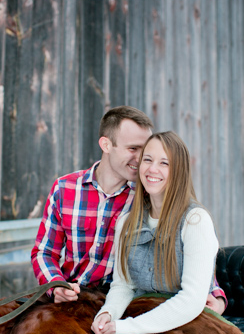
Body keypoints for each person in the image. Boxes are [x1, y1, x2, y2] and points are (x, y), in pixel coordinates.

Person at [31, 106, 227, 313]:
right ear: (106, 144)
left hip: (123, 303)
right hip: (71, 297)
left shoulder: (150, 194)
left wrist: (215, 293)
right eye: (133, 149)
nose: (142, 159)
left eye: (146, 150)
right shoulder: (65, 188)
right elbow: (44, 252)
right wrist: (57, 285)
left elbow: (188, 245)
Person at [91, 132, 219, 334]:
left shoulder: (195, 221)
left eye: (164, 163)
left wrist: (127, 328)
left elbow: (191, 300)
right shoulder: (126, 223)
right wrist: (108, 313)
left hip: (185, 326)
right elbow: (123, 285)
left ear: (179, 170)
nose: (152, 169)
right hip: (140, 315)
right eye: (147, 160)